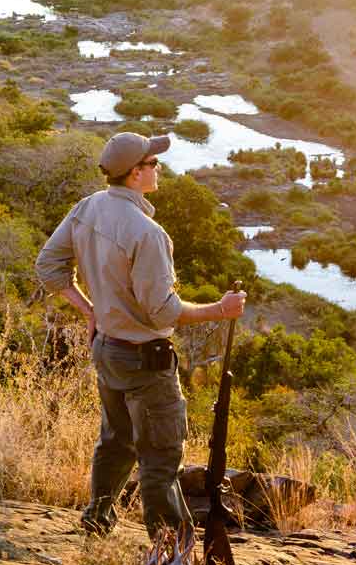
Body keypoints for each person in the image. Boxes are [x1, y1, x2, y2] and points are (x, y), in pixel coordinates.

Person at [35, 131, 246, 538]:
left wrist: (90, 309)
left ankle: (97, 521)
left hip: (108, 351)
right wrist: (220, 310)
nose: (158, 167)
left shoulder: (88, 207)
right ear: (135, 174)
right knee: (162, 459)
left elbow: (49, 266)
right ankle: (171, 555)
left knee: (115, 441)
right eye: (152, 162)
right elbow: (162, 311)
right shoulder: (148, 233)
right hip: (146, 360)